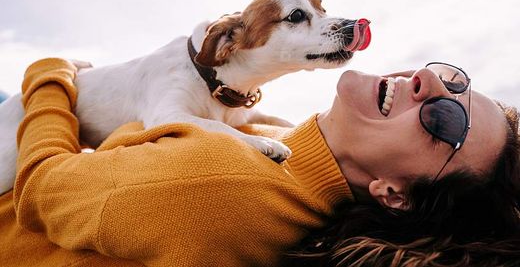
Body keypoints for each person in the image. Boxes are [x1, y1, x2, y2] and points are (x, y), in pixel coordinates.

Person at [0, 58, 518, 267]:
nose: (430, 84)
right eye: (454, 81)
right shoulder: (282, 144)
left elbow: (42, 186)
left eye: (446, 122)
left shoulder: (221, 186)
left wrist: (51, 77)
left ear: (394, 194)